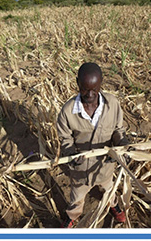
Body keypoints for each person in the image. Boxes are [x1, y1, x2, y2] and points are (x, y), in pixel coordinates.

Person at [56, 62, 128, 228]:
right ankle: (72, 216)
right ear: (77, 83)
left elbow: (118, 130)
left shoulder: (112, 105)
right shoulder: (67, 112)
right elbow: (65, 139)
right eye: (84, 89)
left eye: (94, 90)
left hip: (105, 167)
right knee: (76, 197)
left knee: (109, 190)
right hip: (80, 171)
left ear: (101, 83)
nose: (89, 95)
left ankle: (114, 206)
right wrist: (70, 154)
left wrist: (122, 145)